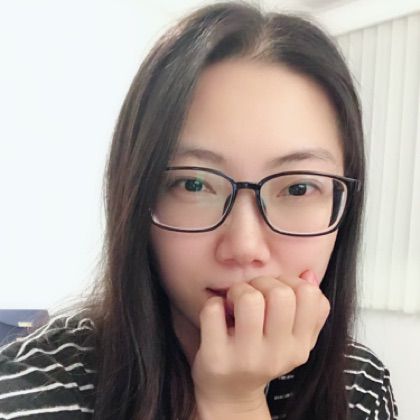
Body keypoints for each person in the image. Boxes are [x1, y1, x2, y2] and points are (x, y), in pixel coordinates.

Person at [0, 1, 398, 419]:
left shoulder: (359, 384)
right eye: (193, 184)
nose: (244, 247)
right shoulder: (25, 397)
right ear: (136, 195)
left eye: (298, 188)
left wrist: (235, 402)